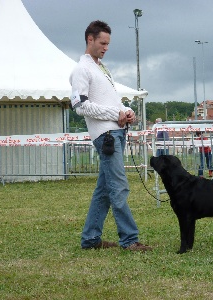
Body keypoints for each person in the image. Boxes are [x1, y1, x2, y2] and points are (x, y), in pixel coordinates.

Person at [69, 20, 151, 251]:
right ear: (90, 40)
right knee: (118, 187)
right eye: (102, 43)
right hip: (106, 135)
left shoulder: (101, 68)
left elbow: (108, 101)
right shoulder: (81, 69)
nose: (106, 48)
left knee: (104, 191)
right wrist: (116, 113)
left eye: (108, 44)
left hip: (114, 132)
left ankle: (90, 240)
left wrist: (125, 112)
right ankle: (129, 239)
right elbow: (80, 106)